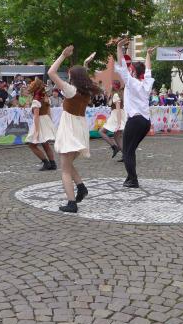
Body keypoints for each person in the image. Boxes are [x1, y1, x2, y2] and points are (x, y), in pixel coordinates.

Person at [49, 46, 99, 213]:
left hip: (70, 129)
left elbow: (51, 72)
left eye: (70, 74)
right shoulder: (86, 90)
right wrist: (85, 63)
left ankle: (72, 203)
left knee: (64, 169)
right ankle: (81, 187)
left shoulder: (70, 90)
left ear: (73, 77)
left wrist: (63, 55)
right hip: (80, 128)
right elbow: (83, 75)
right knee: (67, 163)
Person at [115, 38, 155, 189]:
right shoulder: (146, 83)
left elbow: (122, 65)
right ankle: (130, 177)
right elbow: (148, 70)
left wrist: (119, 47)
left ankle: (133, 179)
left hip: (135, 120)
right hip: (145, 122)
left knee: (127, 151)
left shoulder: (131, 82)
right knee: (130, 150)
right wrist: (148, 55)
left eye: (131, 69)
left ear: (133, 71)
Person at [24, 77, 57, 170]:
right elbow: (49, 113)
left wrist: (36, 131)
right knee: (45, 144)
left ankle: (46, 163)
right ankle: (52, 163)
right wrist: (50, 124)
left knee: (31, 144)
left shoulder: (36, 100)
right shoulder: (45, 98)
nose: (30, 86)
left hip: (40, 121)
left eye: (32, 85)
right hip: (46, 120)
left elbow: (36, 116)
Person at [100, 76, 126, 159]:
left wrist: (118, 123)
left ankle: (114, 147)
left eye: (111, 84)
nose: (110, 86)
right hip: (118, 114)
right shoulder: (118, 94)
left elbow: (118, 109)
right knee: (117, 136)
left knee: (101, 132)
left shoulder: (116, 95)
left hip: (116, 115)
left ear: (113, 86)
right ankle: (125, 155)